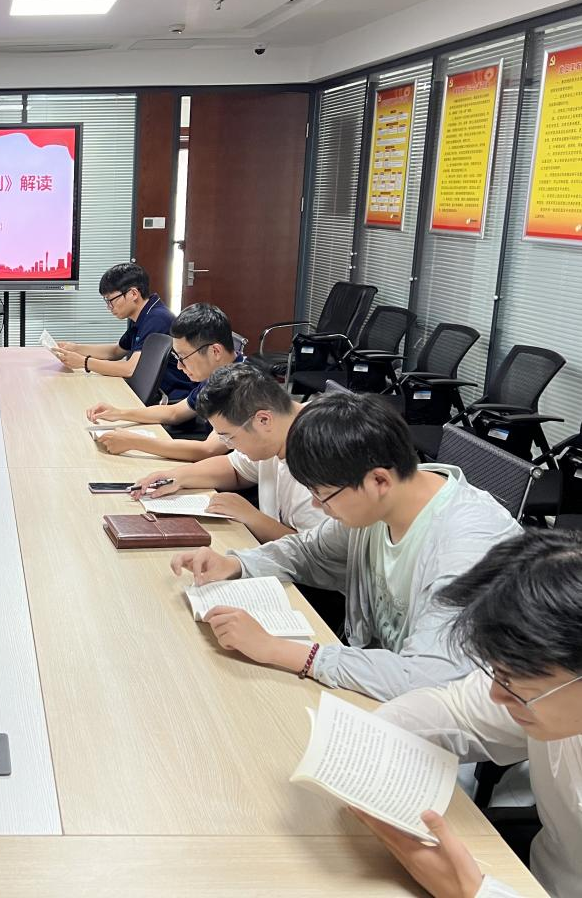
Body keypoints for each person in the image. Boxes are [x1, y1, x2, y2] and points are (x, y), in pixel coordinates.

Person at [170, 391, 521, 701]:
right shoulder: (382, 505)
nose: (318, 507)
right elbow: (308, 551)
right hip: (373, 684)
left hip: (444, 723)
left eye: (324, 495)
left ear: (379, 480)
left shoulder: (468, 546)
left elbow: (428, 678)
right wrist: (236, 564)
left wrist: (280, 650)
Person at [362, 531, 582, 898]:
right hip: (536, 878)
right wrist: (366, 739)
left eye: (513, 682)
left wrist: (471, 893)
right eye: (497, 672)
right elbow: (453, 711)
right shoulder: (551, 683)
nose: (497, 694)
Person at [129, 362, 326, 543]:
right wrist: (177, 476)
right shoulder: (277, 431)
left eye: (229, 437)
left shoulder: (322, 455)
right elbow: (235, 469)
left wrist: (251, 517)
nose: (229, 445)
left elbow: (317, 553)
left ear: (263, 420)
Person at [87, 302, 243, 462]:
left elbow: (208, 450)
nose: (179, 366)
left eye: (183, 357)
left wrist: (135, 442)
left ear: (215, 351)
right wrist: (119, 413)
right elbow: (174, 413)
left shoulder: (242, 386)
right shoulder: (217, 374)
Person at [50, 262, 191, 402]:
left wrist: (83, 362)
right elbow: (116, 351)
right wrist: (74, 348)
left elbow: (130, 369)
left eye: (111, 300)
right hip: (151, 391)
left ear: (133, 293)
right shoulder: (143, 314)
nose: (109, 307)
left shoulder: (157, 318)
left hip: (170, 397)